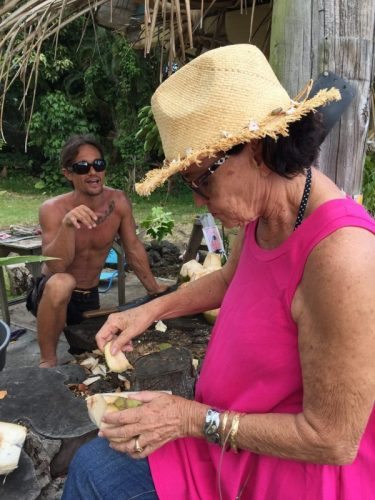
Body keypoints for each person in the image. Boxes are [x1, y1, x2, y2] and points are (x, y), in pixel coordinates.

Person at [63, 45, 375, 499]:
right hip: (222, 437)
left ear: (254, 148)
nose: (197, 200)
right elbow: (232, 280)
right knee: (93, 465)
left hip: (284, 470)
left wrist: (189, 418)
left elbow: (333, 439)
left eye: (201, 179)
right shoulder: (266, 214)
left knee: (97, 473)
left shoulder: (343, 257)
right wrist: (149, 312)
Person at [27, 134, 168, 368]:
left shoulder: (118, 201)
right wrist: (67, 226)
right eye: (82, 167)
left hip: (88, 296)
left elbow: (132, 247)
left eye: (98, 164)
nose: (92, 172)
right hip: (49, 293)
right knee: (63, 281)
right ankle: (47, 362)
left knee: (91, 360)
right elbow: (57, 267)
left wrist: (154, 290)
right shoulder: (52, 209)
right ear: (68, 173)